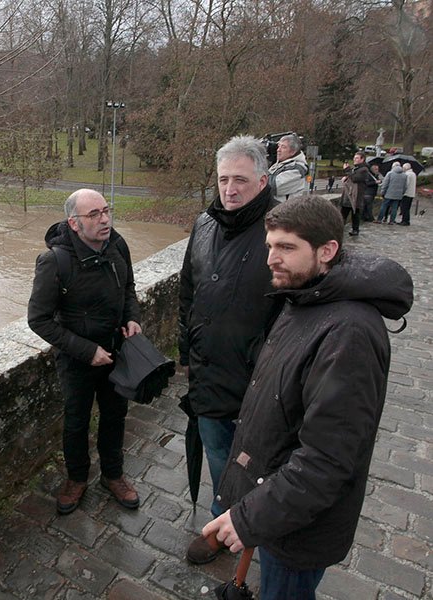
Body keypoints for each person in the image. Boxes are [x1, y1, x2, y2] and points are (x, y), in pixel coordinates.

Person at [203, 194, 413, 600]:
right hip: (280, 507)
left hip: (300, 528)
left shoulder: (349, 333)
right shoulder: (308, 294)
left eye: (286, 247)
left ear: (327, 251)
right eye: (269, 246)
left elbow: (327, 461)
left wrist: (247, 519)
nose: (271, 259)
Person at [179, 135, 281, 564]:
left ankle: (252, 524)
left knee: (258, 462)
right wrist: (187, 352)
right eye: (223, 179)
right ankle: (221, 523)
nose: (230, 189)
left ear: (261, 181)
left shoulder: (283, 230)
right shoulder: (204, 224)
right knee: (218, 452)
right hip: (208, 372)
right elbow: (188, 291)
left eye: (240, 179)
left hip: (260, 377)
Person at [27, 188, 142, 515]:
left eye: (106, 211)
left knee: (115, 415)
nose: (105, 219)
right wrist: (87, 350)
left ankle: (113, 475)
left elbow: (129, 288)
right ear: (74, 224)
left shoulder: (118, 245)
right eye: (94, 215)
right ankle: (77, 478)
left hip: (118, 351)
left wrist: (133, 318)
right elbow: (39, 320)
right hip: (77, 358)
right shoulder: (54, 261)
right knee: (76, 421)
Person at [268, 134, 309, 202]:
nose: (278, 150)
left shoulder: (297, 169)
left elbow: (271, 187)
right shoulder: (281, 163)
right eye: (278, 146)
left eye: (283, 147)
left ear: (292, 152)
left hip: (282, 211)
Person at [339, 151, 368, 236]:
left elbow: (355, 178)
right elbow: (351, 177)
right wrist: (346, 177)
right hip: (349, 194)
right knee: (343, 213)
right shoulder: (355, 168)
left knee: (355, 214)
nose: (354, 160)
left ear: (362, 159)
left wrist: (347, 170)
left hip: (356, 196)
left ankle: (355, 229)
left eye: (357, 158)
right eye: (354, 158)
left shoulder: (364, 170)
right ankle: (339, 228)